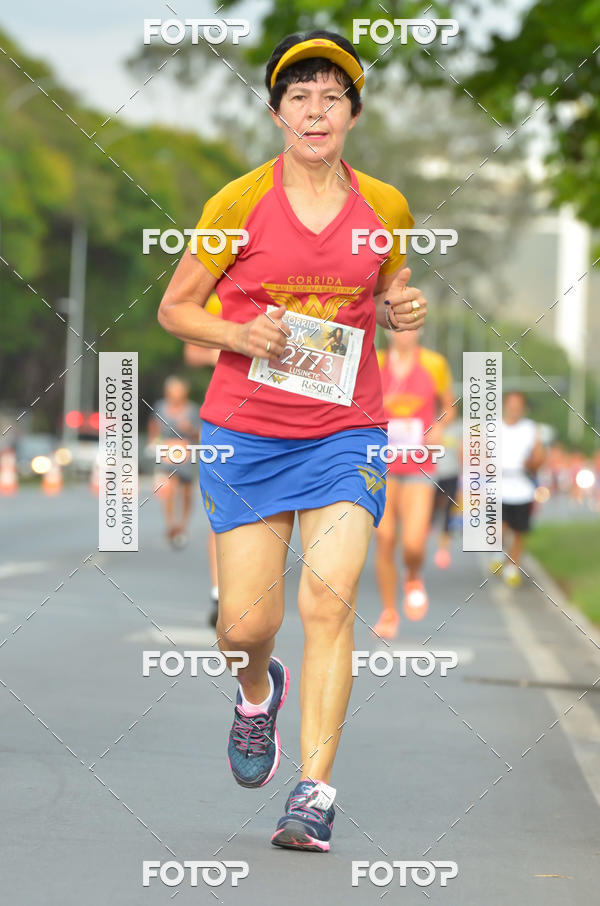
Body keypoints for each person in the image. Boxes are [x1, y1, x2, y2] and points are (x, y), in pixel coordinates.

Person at [157, 30, 428, 852]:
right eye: (300, 97)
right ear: (277, 113)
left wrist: (403, 308)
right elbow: (176, 308)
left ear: (352, 114)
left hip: (345, 429)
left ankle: (314, 793)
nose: (316, 111)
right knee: (245, 625)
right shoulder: (238, 203)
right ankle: (255, 692)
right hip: (245, 433)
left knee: (328, 599)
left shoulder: (385, 207)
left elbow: (391, 287)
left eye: (332, 98)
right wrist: (240, 335)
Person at [373, 329, 455, 638]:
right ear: (387, 328)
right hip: (380, 463)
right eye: (397, 326)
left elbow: (449, 406)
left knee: (413, 542)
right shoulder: (374, 362)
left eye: (410, 326)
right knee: (384, 538)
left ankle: (412, 574)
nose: (404, 333)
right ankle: (389, 612)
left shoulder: (434, 363)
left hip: (419, 462)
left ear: (420, 329)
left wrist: (438, 426)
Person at [183, 293, 222, 626]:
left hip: (290, 417)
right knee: (223, 512)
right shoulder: (217, 297)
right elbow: (192, 351)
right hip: (230, 413)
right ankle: (219, 592)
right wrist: (227, 346)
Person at [491, 390, 545, 586]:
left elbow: (538, 457)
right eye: (511, 404)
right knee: (499, 527)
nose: (514, 408)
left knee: (518, 532)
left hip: (522, 486)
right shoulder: (492, 427)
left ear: (523, 408)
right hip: (497, 485)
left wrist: (532, 463)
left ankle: (512, 568)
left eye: (518, 405)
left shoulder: (530, 429)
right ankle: (497, 553)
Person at [148, 376, 202, 549]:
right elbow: (153, 426)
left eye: (179, 391)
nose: (175, 395)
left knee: (186, 491)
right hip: (167, 451)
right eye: (173, 391)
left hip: (186, 451)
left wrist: (190, 429)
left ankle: (183, 524)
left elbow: (200, 434)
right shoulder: (160, 407)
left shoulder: (192, 410)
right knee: (169, 488)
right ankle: (171, 524)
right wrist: (153, 442)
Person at [432, 416, 462, 570]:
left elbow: (463, 451)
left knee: (449, 512)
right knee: (431, 510)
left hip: (452, 474)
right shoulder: (429, 423)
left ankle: (443, 549)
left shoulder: (458, 427)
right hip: (431, 475)